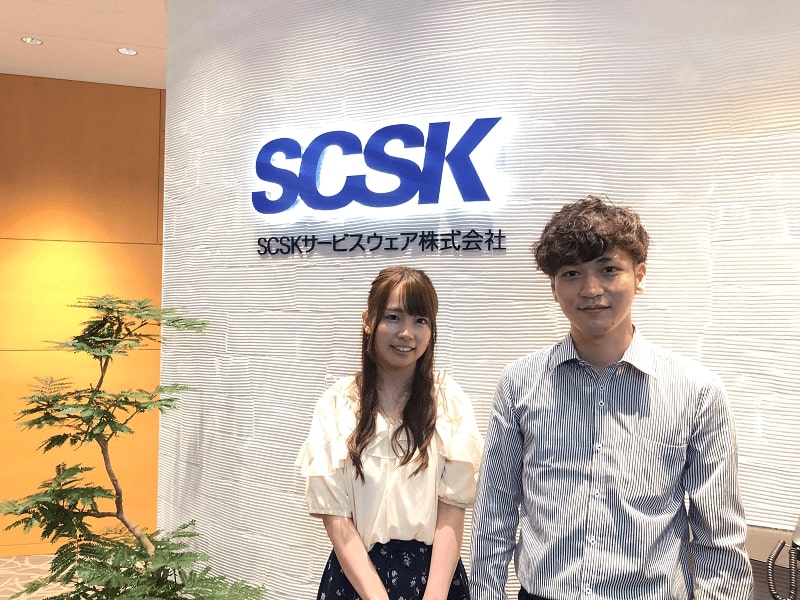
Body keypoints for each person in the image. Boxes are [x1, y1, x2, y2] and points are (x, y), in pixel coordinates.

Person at [470, 195, 754, 600]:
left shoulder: (697, 391)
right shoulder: (519, 382)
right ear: (553, 287)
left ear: (639, 275)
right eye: (571, 273)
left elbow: (719, 536)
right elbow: (493, 515)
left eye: (608, 269)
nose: (590, 290)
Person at [297, 265, 483, 600]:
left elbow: (452, 510)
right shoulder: (337, 404)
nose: (407, 333)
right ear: (368, 321)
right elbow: (335, 518)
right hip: (355, 580)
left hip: (435, 581)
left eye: (420, 320)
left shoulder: (449, 402)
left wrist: (435, 595)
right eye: (394, 317)